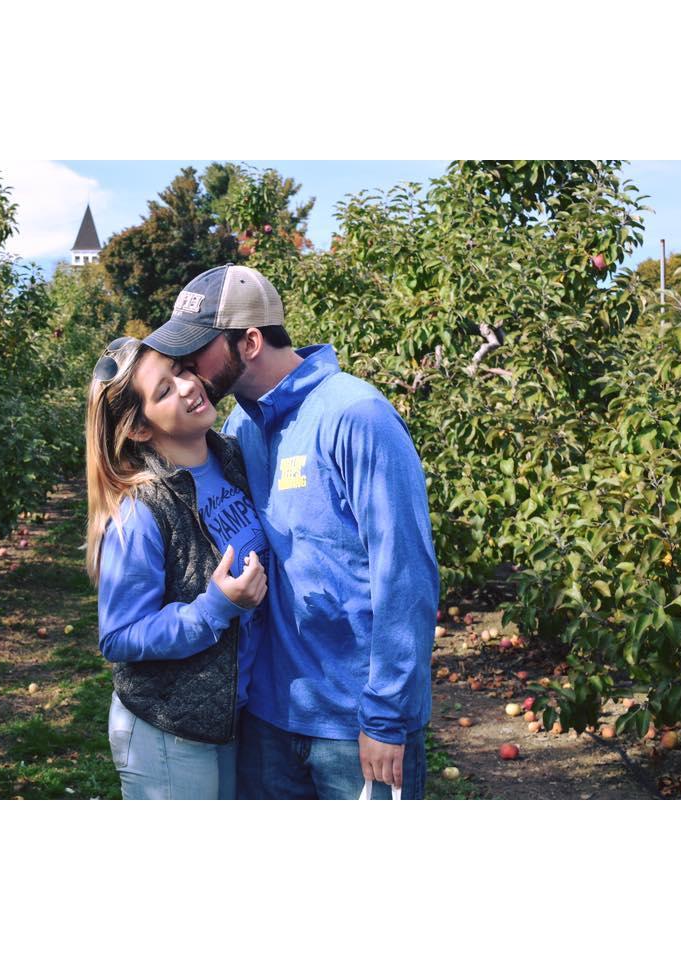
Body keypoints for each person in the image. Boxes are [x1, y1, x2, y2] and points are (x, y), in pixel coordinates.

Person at [142, 264, 439, 800]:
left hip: (354, 724)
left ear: (250, 341)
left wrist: (387, 717)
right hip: (269, 719)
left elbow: (406, 574)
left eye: (197, 350)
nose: (185, 369)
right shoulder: (238, 429)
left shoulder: (356, 416)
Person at [85, 335, 270, 799]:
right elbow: (118, 635)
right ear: (140, 430)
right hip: (169, 731)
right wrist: (215, 607)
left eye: (182, 370)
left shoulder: (233, 459)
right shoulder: (141, 510)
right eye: (164, 391)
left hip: (230, 714)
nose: (189, 387)